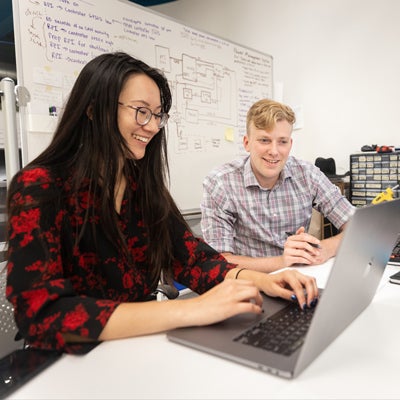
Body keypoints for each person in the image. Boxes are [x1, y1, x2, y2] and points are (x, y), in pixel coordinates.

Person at [6, 53, 318, 354]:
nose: (154, 126)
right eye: (142, 111)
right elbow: (42, 312)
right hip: (72, 362)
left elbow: (194, 260)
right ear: (92, 109)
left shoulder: (142, 186)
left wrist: (266, 282)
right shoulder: (40, 187)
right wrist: (191, 311)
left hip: (137, 349)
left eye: (158, 115)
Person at [201, 99, 355, 273]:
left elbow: (357, 226)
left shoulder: (307, 174)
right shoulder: (220, 183)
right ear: (247, 143)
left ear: (290, 145)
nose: (274, 151)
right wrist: (283, 261)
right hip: (250, 286)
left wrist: (325, 248)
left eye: (282, 141)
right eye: (265, 140)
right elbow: (219, 262)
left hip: (302, 280)